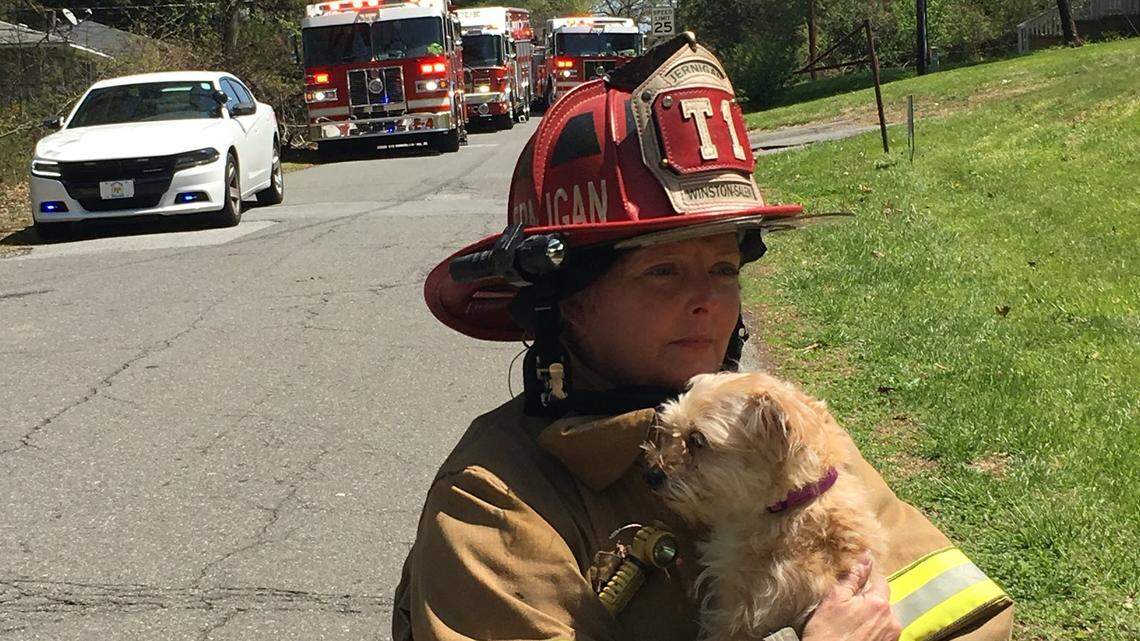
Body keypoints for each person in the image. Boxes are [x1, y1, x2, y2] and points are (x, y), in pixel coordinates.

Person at [395, 34, 1014, 641]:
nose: (709, 302)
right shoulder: (497, 503)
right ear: (568, 302)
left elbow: (970, 616)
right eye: (662, 271)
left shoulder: (785, 440)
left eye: (723, 269)